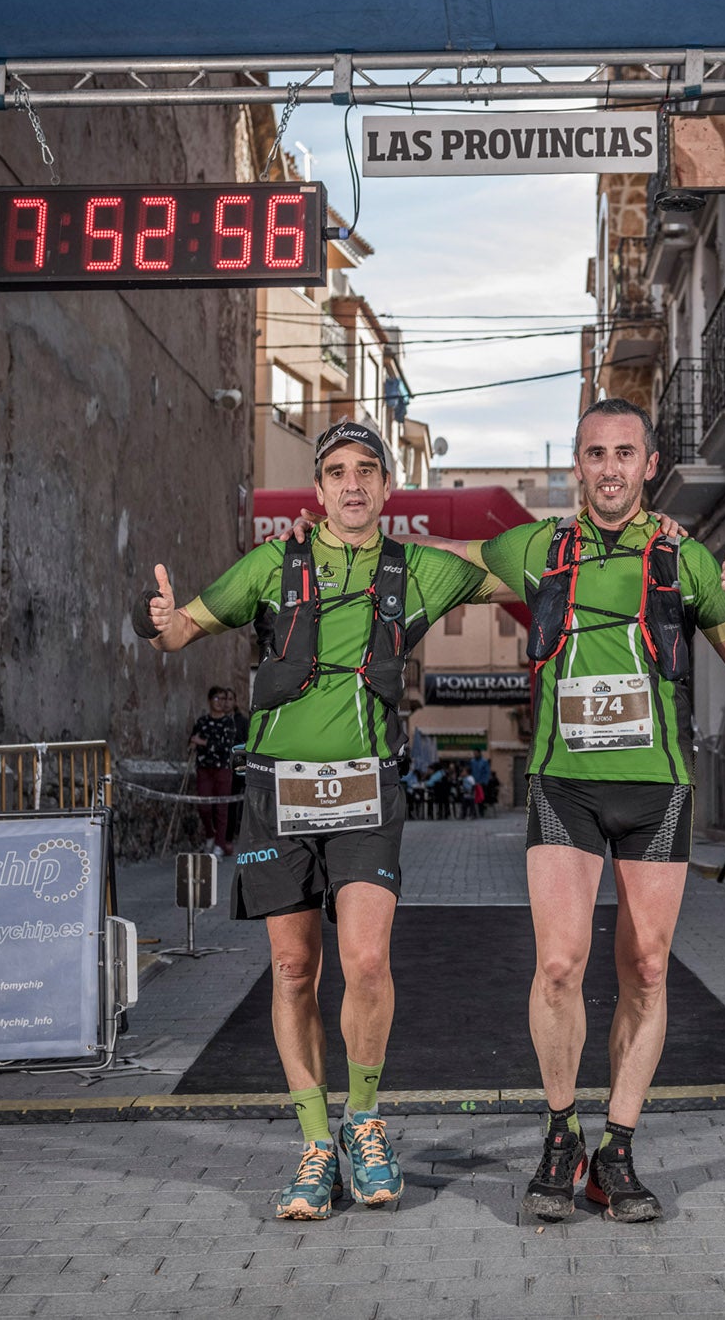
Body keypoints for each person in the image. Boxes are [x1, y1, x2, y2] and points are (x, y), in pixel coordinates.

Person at [134, 421, 496, 1221]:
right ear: (319, 488)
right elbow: (181, 630)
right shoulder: (274, 562)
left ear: (387, 486)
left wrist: (639, 527)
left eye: (368, 470)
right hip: (275, 787)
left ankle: (364, 1122)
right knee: (295, 969)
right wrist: (156, 616)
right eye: (338, 471)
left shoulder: (420, 568)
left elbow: (525, 572)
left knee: (365, 961)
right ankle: (312, 1142)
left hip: (367, 784)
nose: (354, 484)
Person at [459, 397, 725, 1224]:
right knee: (559, 964)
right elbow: (444, 575)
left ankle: (618, 1151)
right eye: (594, 453)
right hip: (564, 781)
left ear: (647, 462)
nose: (608, 467)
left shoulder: (684, 555)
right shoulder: (537, 547)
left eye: (624, 452)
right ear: (577, 464)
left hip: (657, 787)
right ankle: (561, 1134)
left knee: (646, 967)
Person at [189, 686, 244, 854]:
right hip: (204, 768)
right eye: (217, 698)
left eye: (223, 698)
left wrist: (203, 743)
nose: (220, 702)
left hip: (222, 769)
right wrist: (192, 744)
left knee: (222, 808)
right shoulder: (202, 721)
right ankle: (210, 835)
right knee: (204, 806)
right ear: (210, 700)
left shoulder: (229, 723)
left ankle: (219, 845)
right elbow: (192, 739)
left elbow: (226, 746)